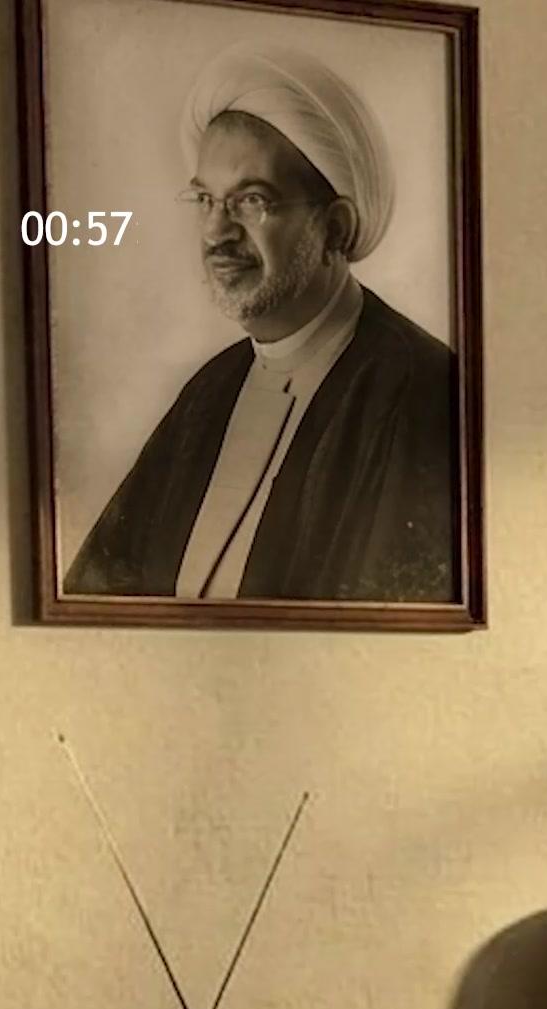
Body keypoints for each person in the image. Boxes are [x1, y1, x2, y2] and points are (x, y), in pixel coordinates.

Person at [65, 43, 458, 604]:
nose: (216, 232)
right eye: (206, 200)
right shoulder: (211, 390)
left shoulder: (421, 390)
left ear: (335, 228)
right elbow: (99, 596)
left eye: (251, 201)